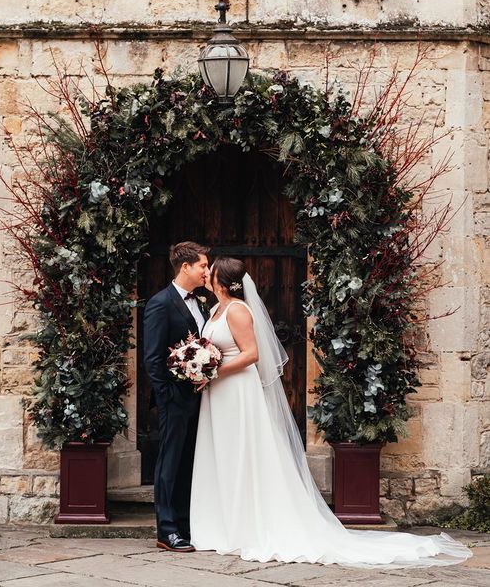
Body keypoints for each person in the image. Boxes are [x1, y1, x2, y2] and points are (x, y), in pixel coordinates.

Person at [190, 256, 472, 567]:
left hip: (237, 391)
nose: (206, 274)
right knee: (224, 453)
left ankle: (245, 524)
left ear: (221, 280)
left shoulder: (239, 311)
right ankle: (223, 522)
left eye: (210, 270)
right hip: (218, 394)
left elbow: (252, 354)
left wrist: (215, 372)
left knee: (242, 452)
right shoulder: (215, 309)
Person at [143, 241, 210, 552]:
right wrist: (168, 394)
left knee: (189, 463)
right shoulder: (160, 303)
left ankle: (185, 525)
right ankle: (166, 530)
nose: (207, 272)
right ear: (186, 267)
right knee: (169, 463)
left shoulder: (202, 302)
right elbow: (152, 359)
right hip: (175, 399)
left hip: (200, 398)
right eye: (203, 266)